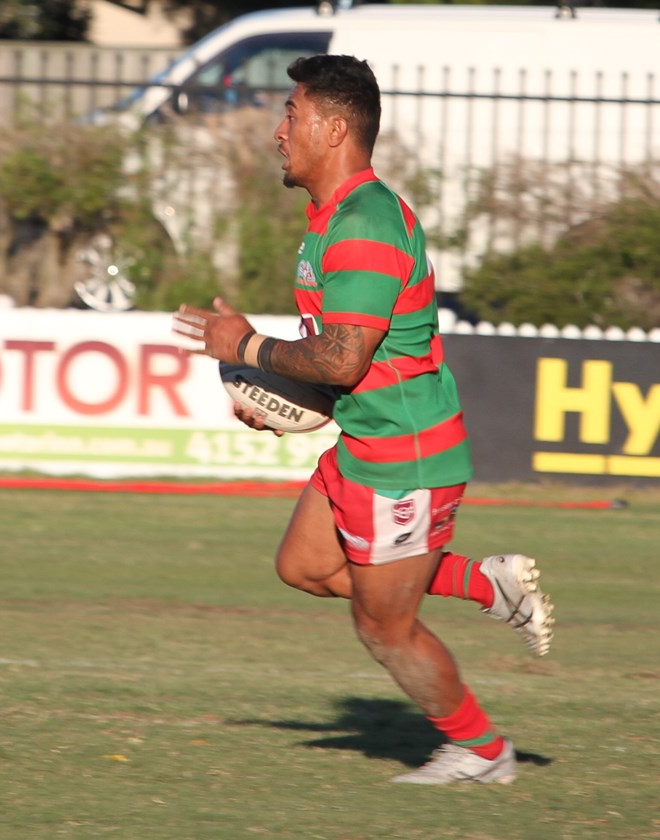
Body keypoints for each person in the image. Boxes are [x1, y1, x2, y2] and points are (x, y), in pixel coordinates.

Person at [172, 54, 554, 785]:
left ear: (334, 126)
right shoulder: (330, 219)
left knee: (385, 626)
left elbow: (343, 360)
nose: (279, 130)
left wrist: (245, 346)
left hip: (406, 460)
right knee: (306, 566)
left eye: (291, 113)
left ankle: (481, 752)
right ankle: (486, 584)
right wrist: (278, 397)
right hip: (367, 443)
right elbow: (344, 362)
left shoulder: (368, 224)